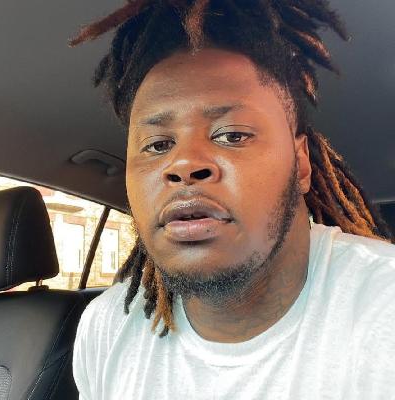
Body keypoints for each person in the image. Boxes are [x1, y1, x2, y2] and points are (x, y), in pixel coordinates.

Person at [69, 1, 395, 399]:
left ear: (301, 164)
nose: (183, 165)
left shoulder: (384, 308)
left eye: (232, 135)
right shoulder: (107, 328)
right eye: (157, 145)